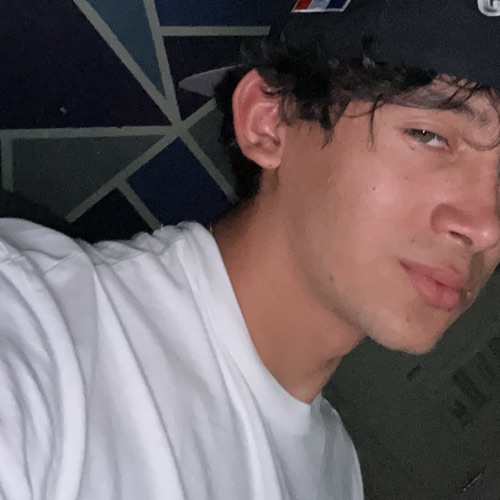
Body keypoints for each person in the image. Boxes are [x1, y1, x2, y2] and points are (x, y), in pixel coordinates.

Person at [1, 0, 500, 498]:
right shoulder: (44, 337)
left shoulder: (337, 471)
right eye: (429, 135)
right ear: (270, 123)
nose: (486, 228)